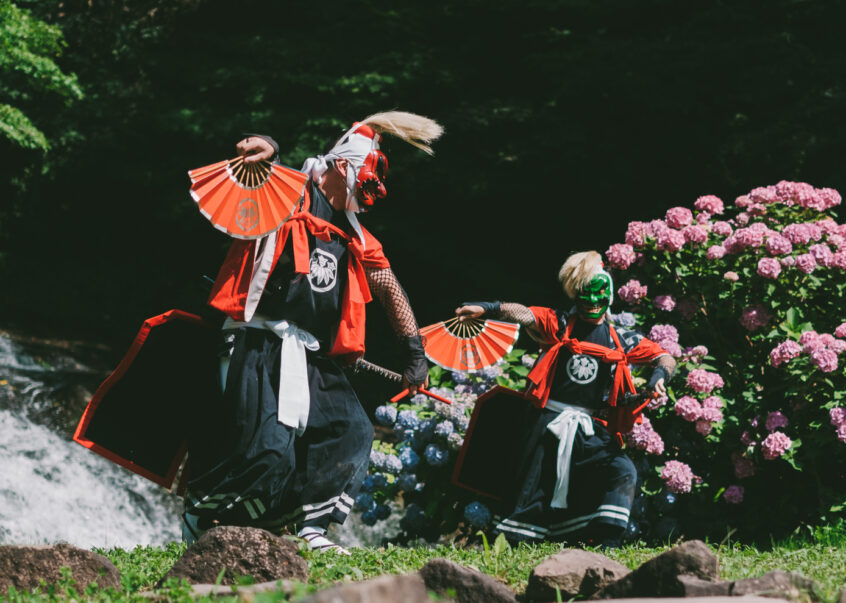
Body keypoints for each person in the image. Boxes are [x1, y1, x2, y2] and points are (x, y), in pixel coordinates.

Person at [182, 112, 441, 554]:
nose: (371, 193)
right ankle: (200, 514)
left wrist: (415, 353)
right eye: (368, 181)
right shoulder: (286, 194)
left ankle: (310, 529)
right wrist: (268, 143)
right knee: (268, 450)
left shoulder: (353, 230)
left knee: (351, 430)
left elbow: (388, 287)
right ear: (343, 166)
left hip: (308, 351)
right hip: (256, 339)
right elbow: (262, 174)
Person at [456, 251, 676, 546]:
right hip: (545, 426)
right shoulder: (558, 324)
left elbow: (665, 357)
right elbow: (525, 313)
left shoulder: (621, 339)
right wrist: (488, 308)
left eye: (599, 298)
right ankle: (511, 551)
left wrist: (659, 377)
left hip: (590, 430)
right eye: (586, 298)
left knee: (621, 471)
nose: (593, 304)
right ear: (576, 296)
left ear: (608, 297)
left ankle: (604, 544)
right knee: (530, 495)